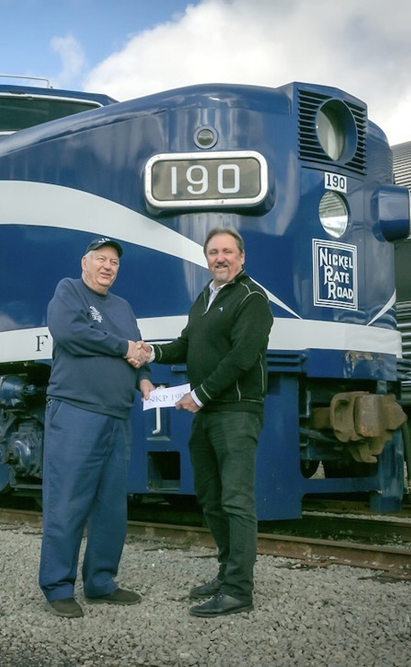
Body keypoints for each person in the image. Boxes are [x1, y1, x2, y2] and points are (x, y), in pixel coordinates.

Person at [142, 227, 272, 617]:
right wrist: (151, 351)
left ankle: (238, 590)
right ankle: (225, 571)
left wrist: (197, 396)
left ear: (242, 257)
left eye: (228, 252)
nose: (221, 258)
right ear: (206, 258)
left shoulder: (252, 299)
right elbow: (186, 344)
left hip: (235, 412)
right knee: (211, 498)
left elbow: (241, 358)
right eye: (214, 252)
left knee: (236, 501)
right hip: (207, 414)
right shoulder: (205, 298)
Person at [39, 236, 154, 618]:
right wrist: (124, 348)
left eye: (114, 262)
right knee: (67, 500)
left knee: (111, 506)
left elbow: (137, 350)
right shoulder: (69, 291)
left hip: (117, 415)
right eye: (101, 259)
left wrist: (145, 380)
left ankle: (101, 582)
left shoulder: (122, 307)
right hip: (76, 411)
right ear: (85, 263)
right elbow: (70, 333)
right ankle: (57, 586)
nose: (108, 266)